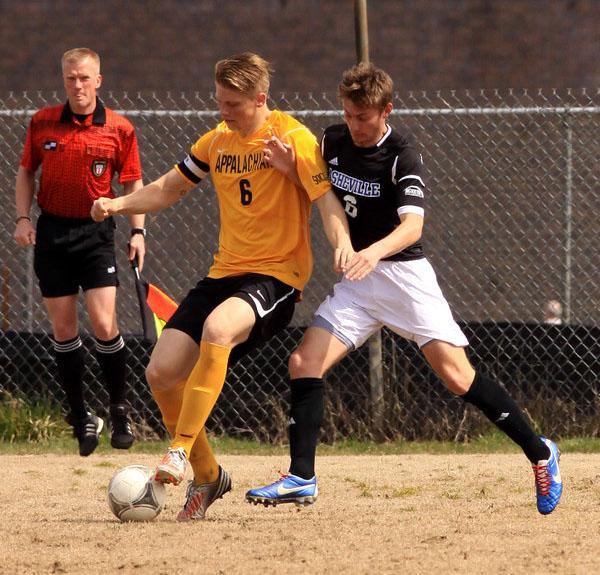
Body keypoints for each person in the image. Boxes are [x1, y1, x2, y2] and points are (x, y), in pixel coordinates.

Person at [245, 62, 563, 516]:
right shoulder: (332, 141)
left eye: (364, 117)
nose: (354, 125)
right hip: (359, 282)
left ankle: (540, 453)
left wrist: (372, 252)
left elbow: (413, 226)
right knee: (303, 362)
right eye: (349, 115)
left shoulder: (402, 154)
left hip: (405, 279)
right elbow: (326, 193)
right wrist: (290, 170)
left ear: (385, 110)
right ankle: (302, 476)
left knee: (457, 377)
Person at [91, 52, 352, 521]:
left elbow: (325, 199)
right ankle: (209, 474)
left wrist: (344, 245)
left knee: (218, 329)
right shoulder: (216, 140)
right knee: (161, 372)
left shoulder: (293, 138)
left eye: (232, 104)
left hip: (277, 277)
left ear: (260, 99)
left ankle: (179, 450)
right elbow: (171, 187)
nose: (223, 111)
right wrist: (117, 204)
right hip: (223, 273)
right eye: (219, 101)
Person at [14, 47, 145, 457]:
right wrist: (22, 218)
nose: (78, 84)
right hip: (53, 233)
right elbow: (25, 172)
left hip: (96, 234)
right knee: (64, 329)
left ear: (98, 80)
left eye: (85, 77)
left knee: (105, 323)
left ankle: (120, 409)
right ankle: (80, 416)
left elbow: (132, 182)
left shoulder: (119, 128)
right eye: (71, 77)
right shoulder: (43, 122)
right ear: (63, 80)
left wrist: (138, 231)